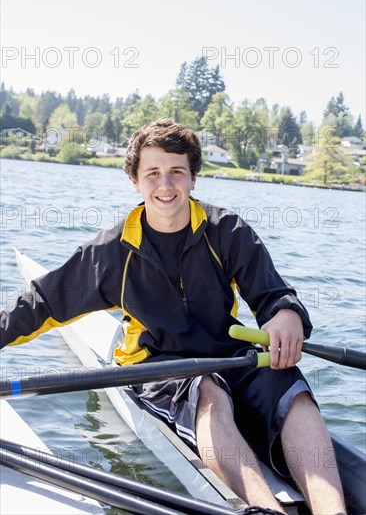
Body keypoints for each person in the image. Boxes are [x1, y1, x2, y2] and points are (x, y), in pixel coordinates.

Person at [1, 119, 346, 514]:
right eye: (153, 174)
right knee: (207, 389)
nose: (165, 186)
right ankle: (265, 511)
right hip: (157, 367)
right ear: (135, 181)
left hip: (229, 355)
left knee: (291, 387)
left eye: (177, 172)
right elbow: (42, 304)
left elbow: (272, 294)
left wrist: (286, 314)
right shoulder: (112, 252)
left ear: (193, 178)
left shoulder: (227, 231)